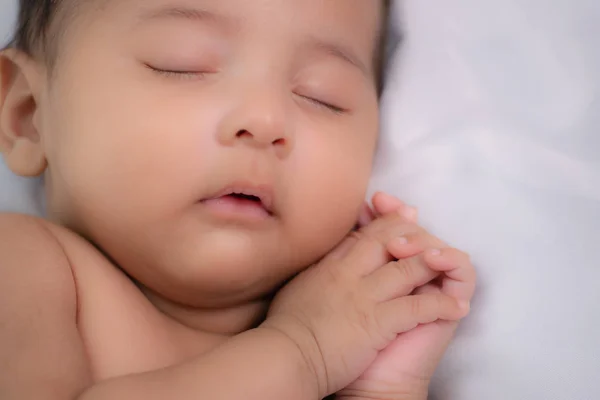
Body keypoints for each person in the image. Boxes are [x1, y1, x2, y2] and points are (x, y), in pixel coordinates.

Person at [0, 1, 476, 399]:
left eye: (322, 96)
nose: (266, 120)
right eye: (182, 64)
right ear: (29, 114)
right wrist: (302, 350)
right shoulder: (22, 264)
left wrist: (380, 387)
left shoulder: (343, 335)